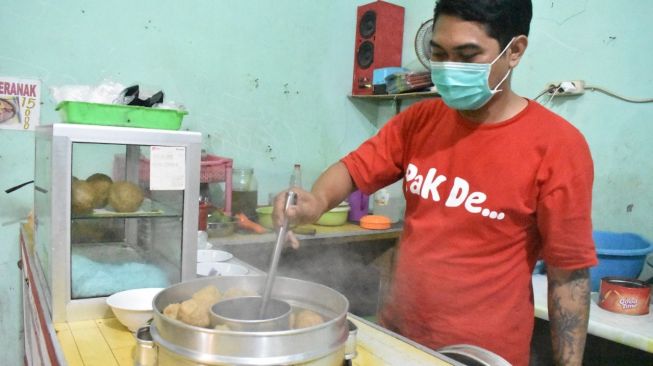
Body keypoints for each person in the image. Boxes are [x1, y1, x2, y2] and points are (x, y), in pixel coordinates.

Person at [273, 0, 597, 364]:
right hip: (400, 341)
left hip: (482, 355)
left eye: (467, 55)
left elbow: (568, 275)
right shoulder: (420, 120)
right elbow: (352, 170)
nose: (448, 68)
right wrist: (315, 202)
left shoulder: (558, 147)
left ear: (515, 51)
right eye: (438, 53)